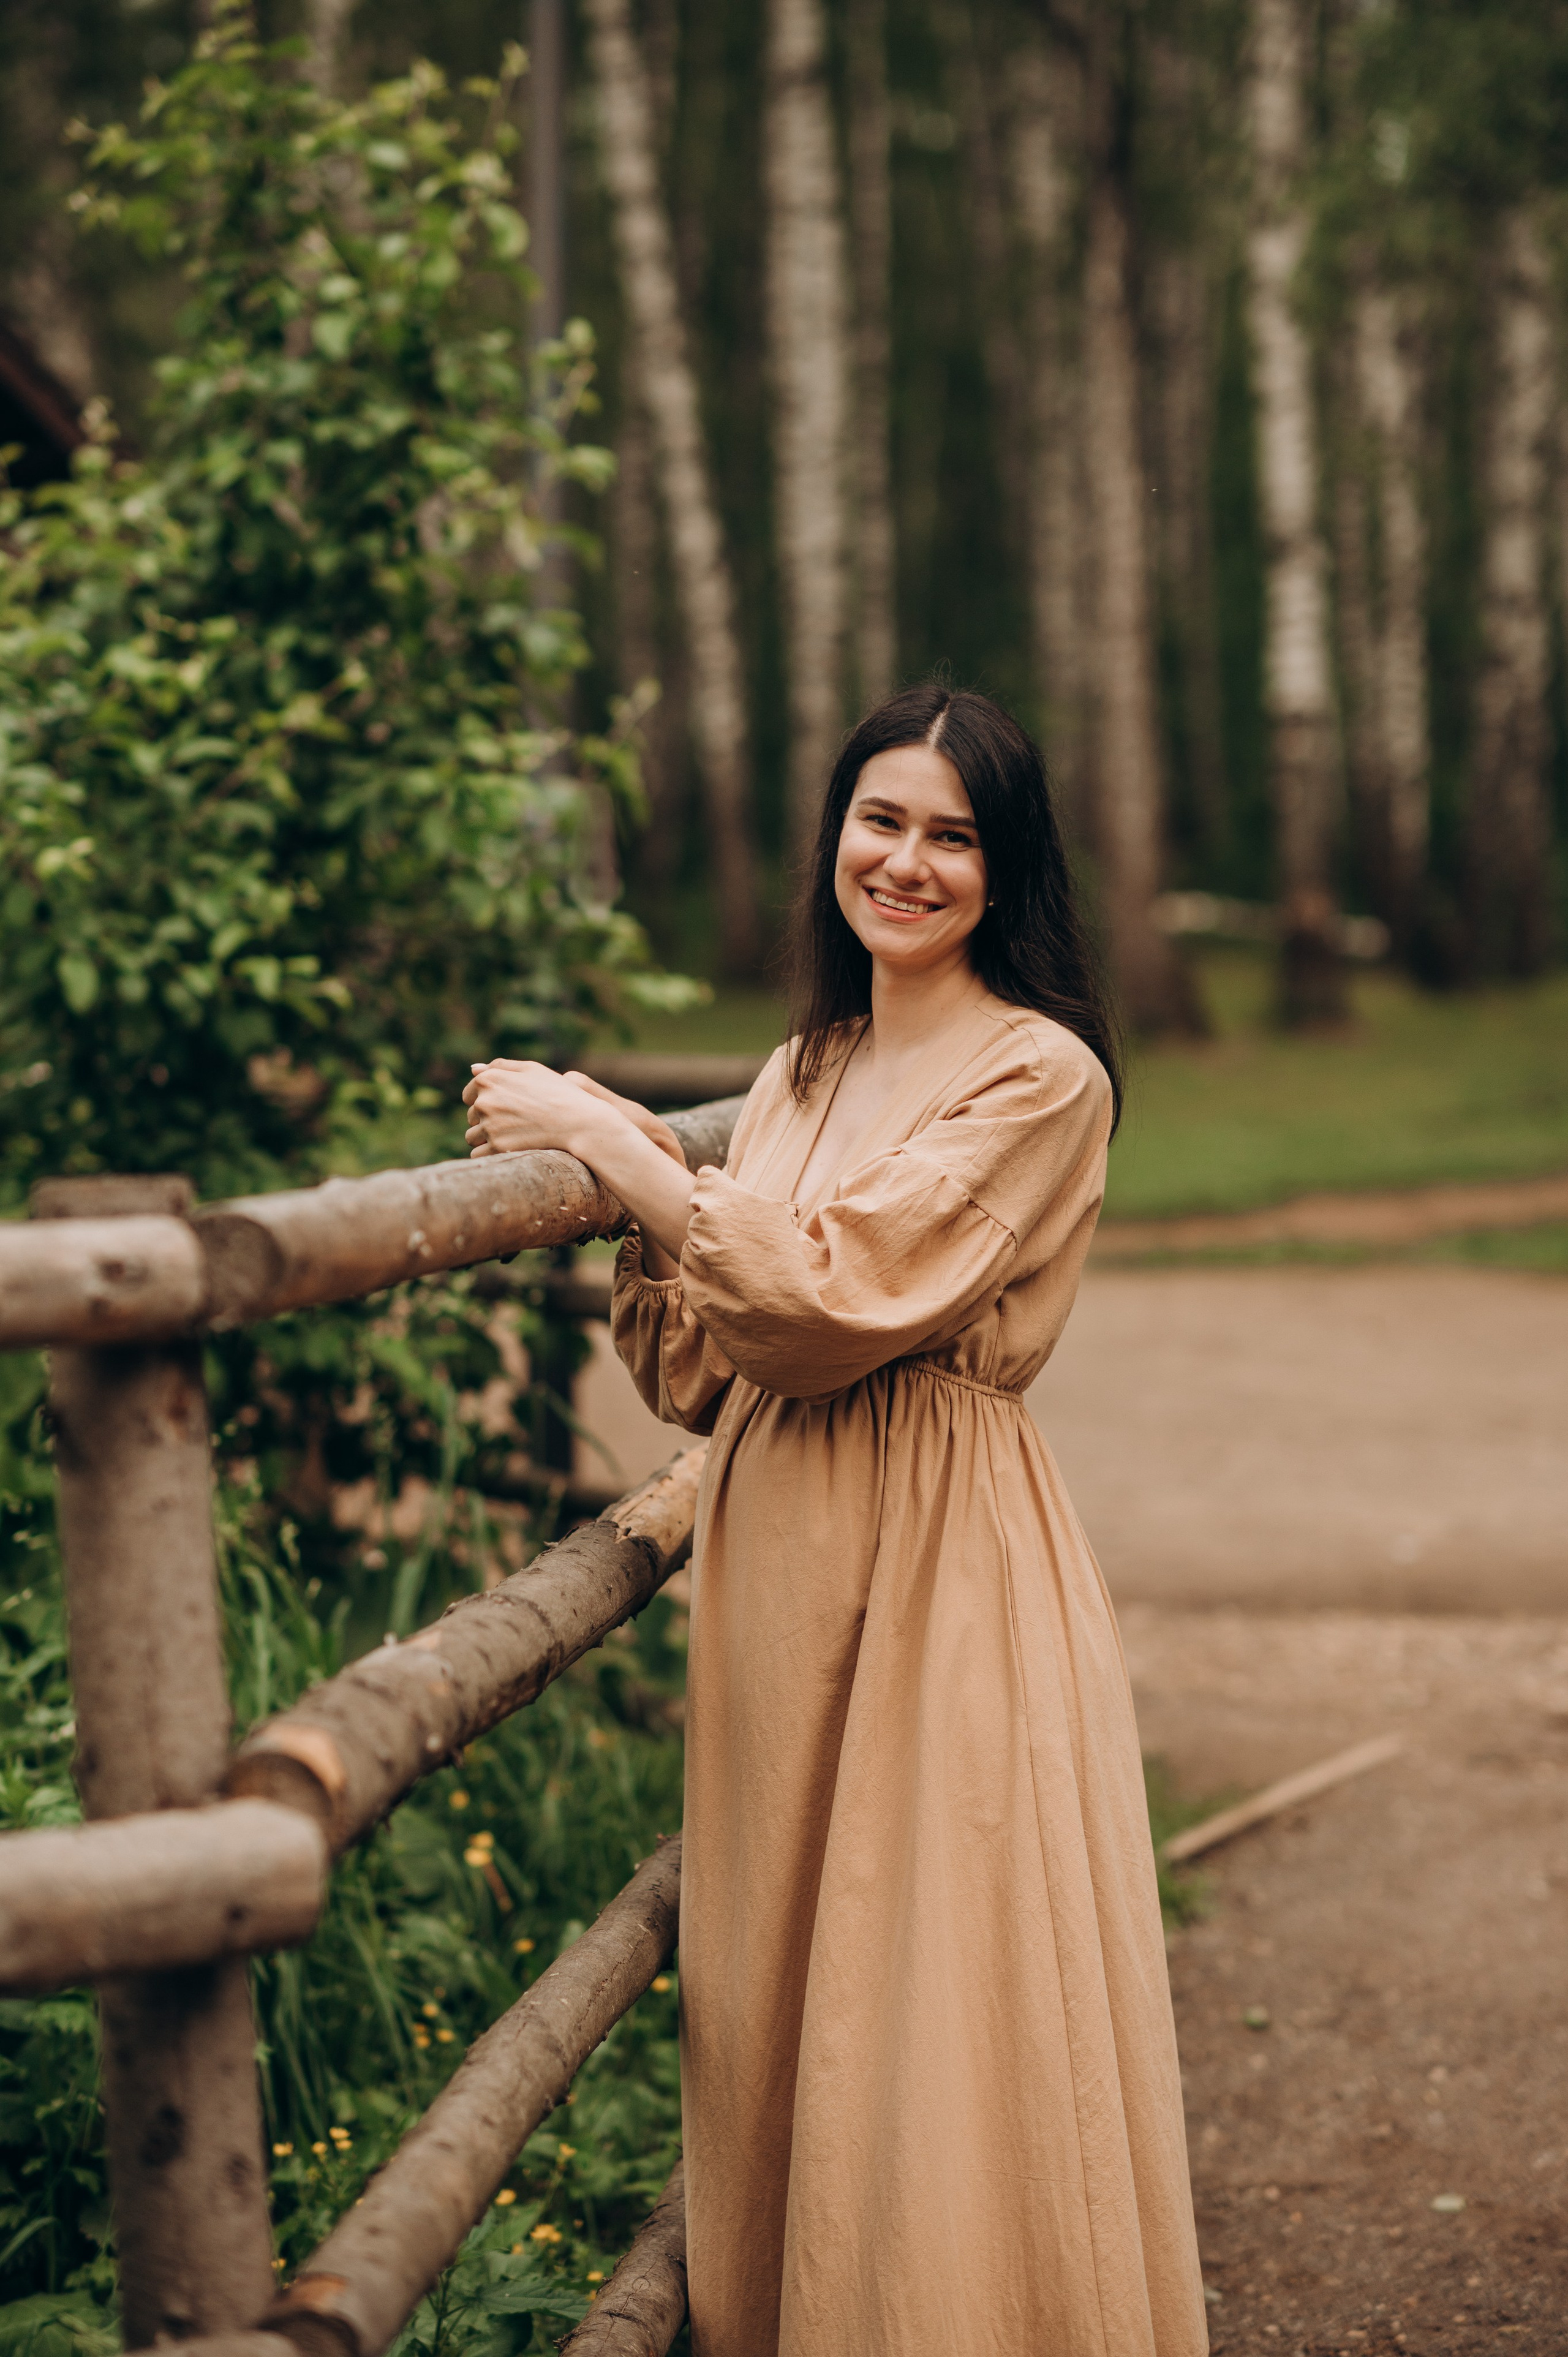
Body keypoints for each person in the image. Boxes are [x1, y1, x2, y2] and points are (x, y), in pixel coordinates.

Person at [462, 683, 1207, 2357]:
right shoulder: (811, 1062)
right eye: (884, 821)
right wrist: (662, 1187)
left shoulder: (1046, 1076)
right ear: (835, 840)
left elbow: (818, 1304)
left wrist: (611, 1141)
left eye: (955, 835)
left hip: (941, 1558)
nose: (911, 862)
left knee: (934, 1973)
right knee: (788, 1972)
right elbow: (699, 1367)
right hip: (788, 1566)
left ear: (1005, 872)